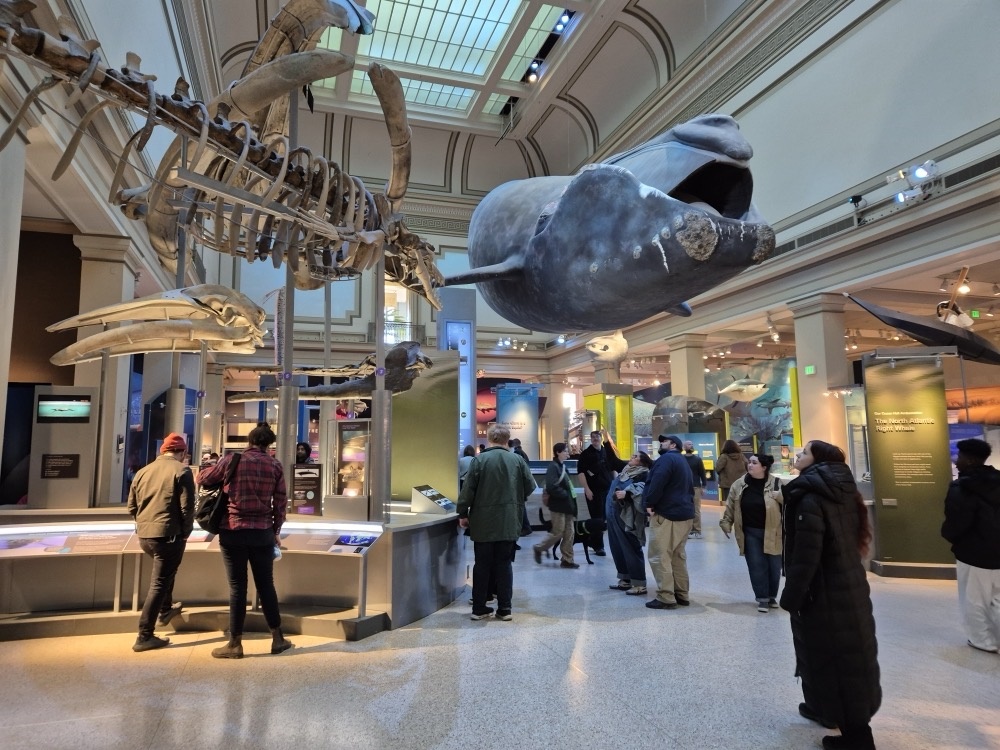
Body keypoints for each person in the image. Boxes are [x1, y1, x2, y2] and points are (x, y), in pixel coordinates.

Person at [780, 440, 880, 750]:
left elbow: (808, 554)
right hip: (848, 584)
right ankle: (821, 705)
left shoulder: (811, 497)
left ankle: (857, 737)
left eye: (804, 452)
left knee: (838, 659)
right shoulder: (841, 491)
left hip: (823, 591)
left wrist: (792, 595)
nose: (798, 455)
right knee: (833, 653)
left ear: (818, 460)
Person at [197, 422, 292, 658]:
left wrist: (210, 466)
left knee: (237, 587)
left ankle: (235, 644)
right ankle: (278, 639)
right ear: (269, 444)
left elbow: (202, 478)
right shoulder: (275, 465)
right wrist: (276, 531)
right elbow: (280, 504)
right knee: (266, 585)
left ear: (250, 441)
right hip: (262, 532)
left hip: (233, 530)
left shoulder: (231, 460)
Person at [457, 424, 536, 621]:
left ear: (490, 440)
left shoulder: (480, 460)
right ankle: (505, 609)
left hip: (483, 522)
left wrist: (462, 513)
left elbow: (468, 491)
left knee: (481, 564)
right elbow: (530, 487)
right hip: (508, 520)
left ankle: (479, 608)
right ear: (507, 440)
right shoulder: (517, 460)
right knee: (504, 564)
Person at [127, 432, 196, 652]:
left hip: (145, 536)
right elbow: (187, 508)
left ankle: (166, 609)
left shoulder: (142, 472)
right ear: (183, 452)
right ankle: (144, 635)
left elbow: (131, 507)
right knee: (159, 582)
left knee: (165, 574)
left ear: (162, 450)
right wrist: (186, 532)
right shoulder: (182, 471)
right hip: (168, 535)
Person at [941, 438, 1000, 653]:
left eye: (960, 457)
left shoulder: (961, 488)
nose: (956, 462)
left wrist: (948, 535)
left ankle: (982, 641)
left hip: (974, 554)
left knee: (974, 600)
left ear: (970, 459)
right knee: (997, 598)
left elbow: (957, 522)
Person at [720, 452, 783, 612]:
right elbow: (731, 507)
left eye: (754, 463)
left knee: (774, 566)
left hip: (773, 531)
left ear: (764, 467)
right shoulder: (739, 484)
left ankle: (771, 596)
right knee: (756, 565)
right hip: (750, 532)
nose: (750, 465)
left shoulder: (776, 484)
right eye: (750, 462)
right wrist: (726, 522)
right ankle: (762, 598)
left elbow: (789, 505)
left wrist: (781, 497)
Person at [642, 435, 694, 609]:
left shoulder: (666, 459)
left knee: (660, 555)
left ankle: (666, 597)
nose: (661, 443)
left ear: (673, 445)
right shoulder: (682, 461)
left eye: (664, 441)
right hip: (684, 514)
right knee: (677, 557)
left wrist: (649, 503)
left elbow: (657, 482)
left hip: (667, 515)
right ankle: (682, 594)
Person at [606, 451, 653, 595]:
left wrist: (627, 494)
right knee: (617, 547)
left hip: (628, 516)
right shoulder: (625, 471)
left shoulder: (644, 474)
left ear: (642, 462)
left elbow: (643, 491)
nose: (631, 458)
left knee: (631, 547)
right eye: (631, 455)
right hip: (613, 515)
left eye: (635, 457)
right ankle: (625, 578)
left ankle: (639, 583)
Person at [533, 443, 579, 568]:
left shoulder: (562, 466)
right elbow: (552, 486)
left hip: (567, 505)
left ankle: (567, 559)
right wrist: (564, 495)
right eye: (565, 451)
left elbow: (569, 487)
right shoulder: (553, 467)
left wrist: (572, 502)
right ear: (558, 452)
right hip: (558, 505)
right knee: (558, 532)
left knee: (570, 533)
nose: (568, 454)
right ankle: (539, 548)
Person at [576, 428, 621, 555]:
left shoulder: (606, 452)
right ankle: (598, 546)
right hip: (594, 491)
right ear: (591, 439)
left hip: (607, 490)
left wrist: (614, 486)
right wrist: (587, 489)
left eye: (597, 437)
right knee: (597, 518)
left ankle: (592, 540)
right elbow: (581, 473)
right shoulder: (585, 454)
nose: (595, 439)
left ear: (601, 439)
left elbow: (612, 469)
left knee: (604, 518)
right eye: (593, 437)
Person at [682, 441, 706, 538]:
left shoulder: (697, 459)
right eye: (688, 444)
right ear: (684, 447)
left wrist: (703, 486)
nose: (691, 445)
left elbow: (702, 473)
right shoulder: (681, 459)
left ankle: (696, 530)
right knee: (685, 508)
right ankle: (686, 530)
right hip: (683, 487)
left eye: (692, 444)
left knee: (696, 509)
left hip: (696, 486)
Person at [715, 439, 748, 506]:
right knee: (741, 502)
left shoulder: (724, 457)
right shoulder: (741, 456)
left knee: (729, 504)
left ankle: (732, 516)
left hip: (728, 484)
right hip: (741, 482)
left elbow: (718, 468)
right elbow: (747, 466)